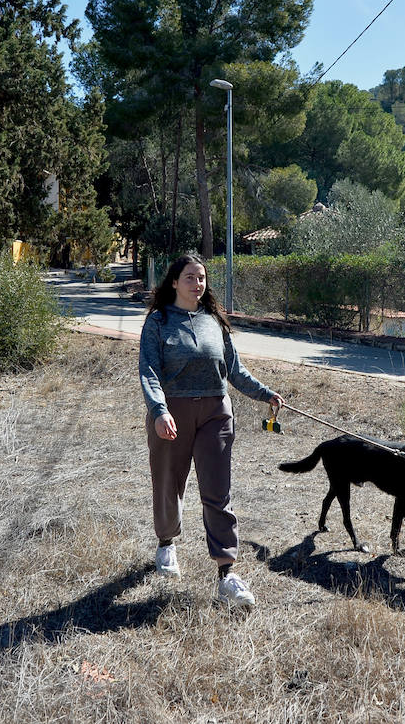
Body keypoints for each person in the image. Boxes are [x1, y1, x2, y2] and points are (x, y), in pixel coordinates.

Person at [139, 253, 284, 607]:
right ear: (174, 282)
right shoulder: (158, 322)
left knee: (218, 492)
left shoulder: (215, 322)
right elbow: (149, 371)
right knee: (169, 484)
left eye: (201, 278)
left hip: (217, 413)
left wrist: (265, 393)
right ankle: (166, 543)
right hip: (171, 412)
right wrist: (159, 411)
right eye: (190, 277)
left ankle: (227, 573)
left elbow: (234, 370)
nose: (197, 284)